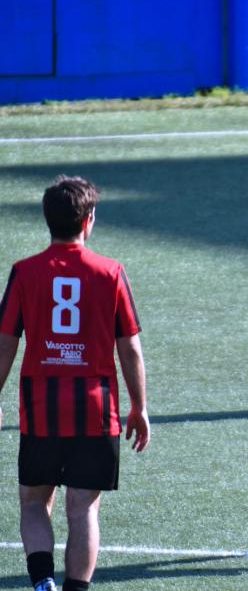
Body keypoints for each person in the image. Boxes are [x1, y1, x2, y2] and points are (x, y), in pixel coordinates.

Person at [0, 176, 150, 591]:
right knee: (83, 509)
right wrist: (139, 407)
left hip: (41, 409)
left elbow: (5, 343)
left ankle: (42, 582)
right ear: (88, 221)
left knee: (34, 502)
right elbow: (130, 349)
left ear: (47, 219)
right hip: (96, 411)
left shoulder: (25, 272)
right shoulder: (111, 273)